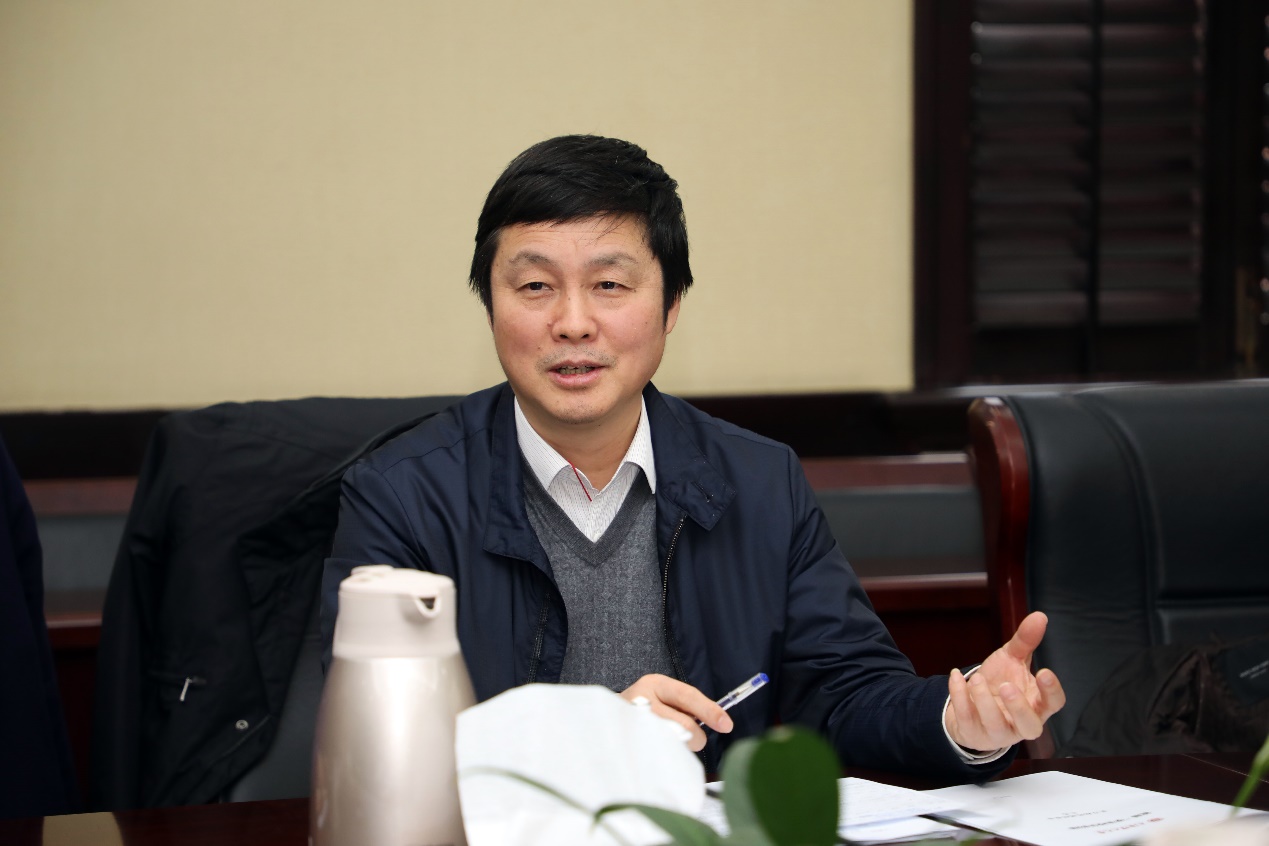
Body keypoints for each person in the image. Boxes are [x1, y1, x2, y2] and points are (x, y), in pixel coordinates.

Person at [321, 134, 1065, 778]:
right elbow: (382, 745)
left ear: (671, 304)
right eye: (536, 286)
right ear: (491, 304)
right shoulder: (401, 495)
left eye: (609, 285)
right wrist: (592, 735)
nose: (573, 322)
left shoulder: (759, 481)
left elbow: (846, 694)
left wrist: (960, 722)